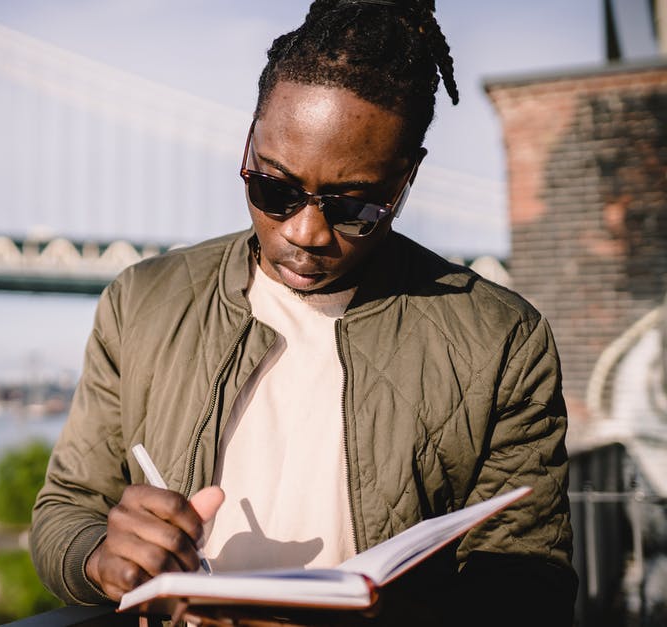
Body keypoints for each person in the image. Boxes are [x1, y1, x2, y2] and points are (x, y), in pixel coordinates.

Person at [29, 0, 576, 624]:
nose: (308, 232)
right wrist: (99, 553)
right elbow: (65, 511)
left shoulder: (503, 341)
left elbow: (530, 582)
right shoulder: (143, 302)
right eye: (276, 190)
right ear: (248, 145)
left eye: (354, 206)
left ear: (406, 179)